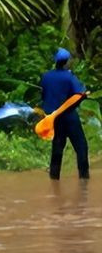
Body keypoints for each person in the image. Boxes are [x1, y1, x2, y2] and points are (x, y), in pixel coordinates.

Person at [40, 48, 89, 180]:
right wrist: (84, 96)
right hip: (69, 117)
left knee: (57, 148)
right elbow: (78, 95)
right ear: (66, 61)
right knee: (81, 147)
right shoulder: (69, 77)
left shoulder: (46, 77)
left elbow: (44, 96)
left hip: (54, 119)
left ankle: (54, 178)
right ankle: (84, 179)